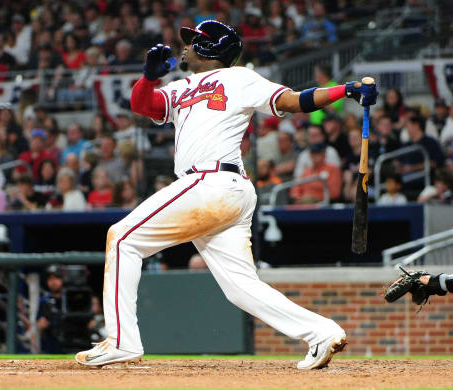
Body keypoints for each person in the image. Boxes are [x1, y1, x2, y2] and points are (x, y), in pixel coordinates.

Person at [75, 20, 377, 370]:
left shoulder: (240, 78)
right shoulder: (181, 86)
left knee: (122, 238)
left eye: (193, 41)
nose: (185, 46)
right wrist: (148, 78)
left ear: (209, 48)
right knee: (240, 287)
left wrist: (344, 90)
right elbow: (145, 106)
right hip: (222, 193)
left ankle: (121, 341)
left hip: (211, 183)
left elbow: (292, 101)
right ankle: (321, 332)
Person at [37, 265, 65, 353]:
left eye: (57, 278)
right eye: (50, 278)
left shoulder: (72, 298)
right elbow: (39, 325)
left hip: (74, 343)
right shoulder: (44, 301)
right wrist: (41, 325)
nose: (53, 282)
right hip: (52, 345)